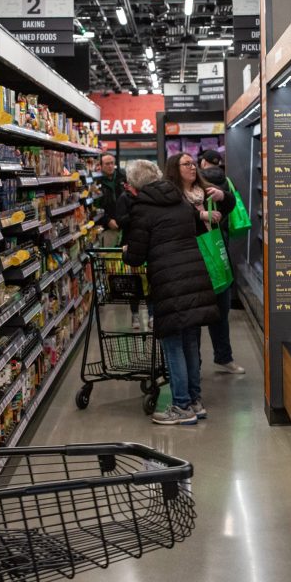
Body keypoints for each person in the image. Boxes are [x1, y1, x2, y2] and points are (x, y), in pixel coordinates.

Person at [122, 154, 233, 425]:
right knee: (190, 344)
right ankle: (195, 401)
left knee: (173, 346)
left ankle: (181, 406)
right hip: (195, 277)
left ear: (135, 186)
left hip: (169, 284)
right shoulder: (181, 202)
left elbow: (136, 256)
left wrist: (127, 251)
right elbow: (196, 230)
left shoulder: (142, 208)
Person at [197, 149, 245, 375]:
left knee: (198, 314)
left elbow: (228, 204)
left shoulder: (205, 188)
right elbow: (231, 205)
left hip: (201, 256)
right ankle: (224, 357)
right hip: (218, 251)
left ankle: (194, 362)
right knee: (220, 311)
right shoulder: (225, 183)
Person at [113, 160, 156, 330]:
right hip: (130, 243)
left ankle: (152, 314)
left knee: (150, 281)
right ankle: (135, 315)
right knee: (134, 283)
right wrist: (135, 215)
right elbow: (120, 220)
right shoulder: (124, 198)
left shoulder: (146, 196)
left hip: (148, 243)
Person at [97, 152, 126, 248]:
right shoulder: (96, 182)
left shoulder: (123, 178)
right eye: (107, 164)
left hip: (124, 227)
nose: (110, 166)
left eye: (112, 163)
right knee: (108, 257)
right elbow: (95, 206)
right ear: (100, 166)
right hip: (106, 229)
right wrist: (107, 220)